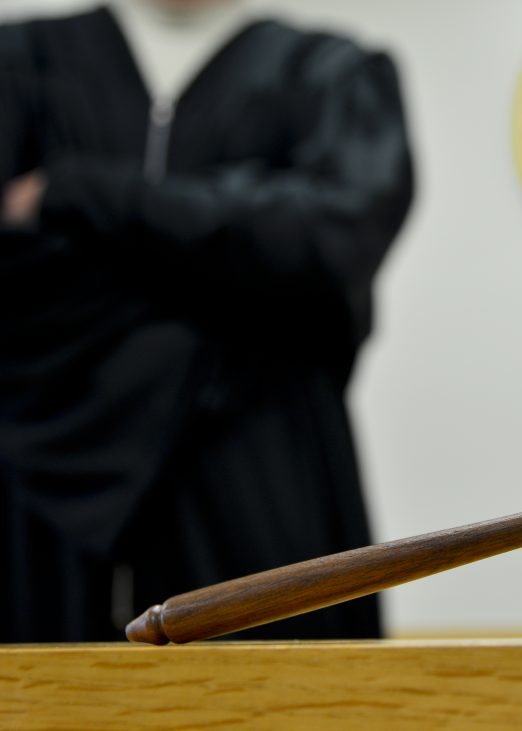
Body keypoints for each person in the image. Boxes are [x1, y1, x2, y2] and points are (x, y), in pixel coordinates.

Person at [0, 0, 414, 642]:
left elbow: (336, 235)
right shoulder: (19, 62)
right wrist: (240, 268)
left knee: (280, 683)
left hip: (263, 460)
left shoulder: (329, 73)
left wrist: (75, 193)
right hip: (39, 463)